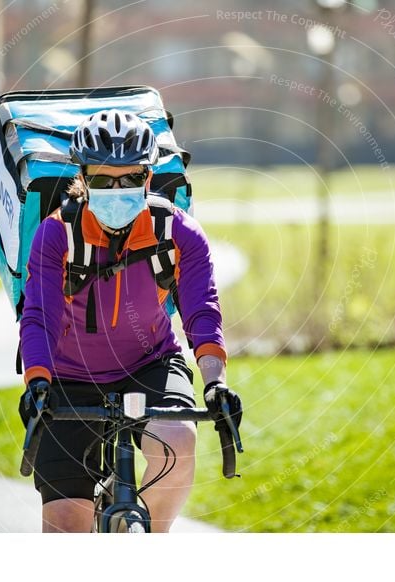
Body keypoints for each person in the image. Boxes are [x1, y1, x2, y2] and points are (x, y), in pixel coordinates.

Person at [18, 109, 242, 533]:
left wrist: (215, 382)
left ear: (148, 178)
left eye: (130, 179)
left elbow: (201, 311)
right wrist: (38, 383)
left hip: (150, 364)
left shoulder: (179, 233)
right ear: (82, 179)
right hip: (67, 375)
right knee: (66, 528)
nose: (116, 190)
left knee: (178, 443)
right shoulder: (56, 234)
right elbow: (39, 315)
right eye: (103, 180)